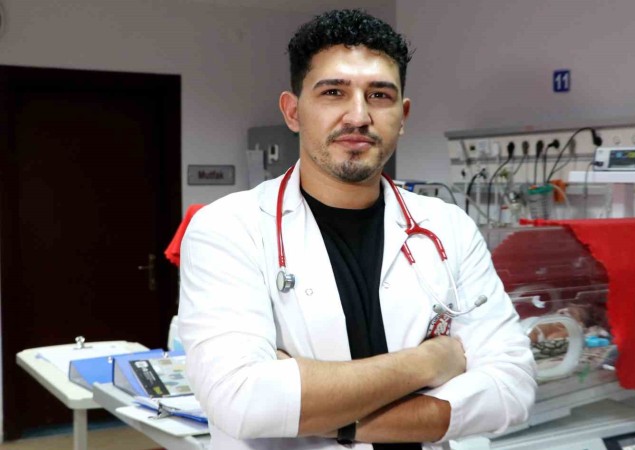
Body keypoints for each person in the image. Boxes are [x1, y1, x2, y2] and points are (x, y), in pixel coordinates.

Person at [178, 9, 536, 450]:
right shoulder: (228, 228)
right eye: (333, 92)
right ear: (293, 111)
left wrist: (318, 414)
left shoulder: (449, 229)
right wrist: (427, 363)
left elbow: (511, 390)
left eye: (380, 95)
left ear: (403, 115)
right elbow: (242, 401)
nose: (358, 115)